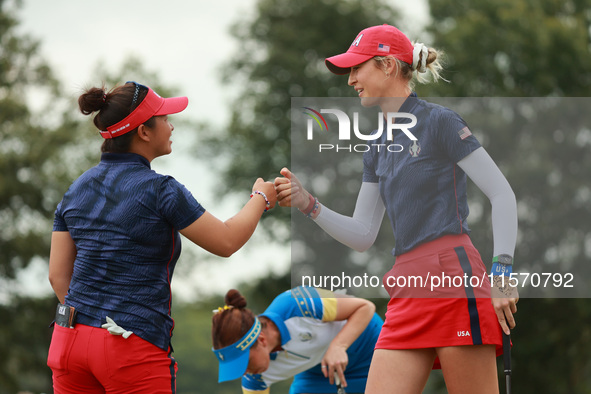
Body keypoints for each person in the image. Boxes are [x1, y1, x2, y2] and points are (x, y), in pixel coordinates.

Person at [274, 24, 519, 393]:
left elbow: (501, 194)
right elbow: (362, 234)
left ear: (387, 65)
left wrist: (501, 274)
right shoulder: (375, 149)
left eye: (357, 68)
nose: (350, 80)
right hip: (405, 285)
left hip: (452, 277)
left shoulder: (440, 122)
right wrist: (310, 204)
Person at [47, 81, 277, 393]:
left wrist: (89, 327)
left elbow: (58, 275)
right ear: (144, 131)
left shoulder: (76, 189)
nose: (171, 126)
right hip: (129, 345)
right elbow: (226, 241)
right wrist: (260, 197)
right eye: (166, 118)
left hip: (68, 343)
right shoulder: (161, 189)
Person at [211, 286, 383, 393]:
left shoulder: (297, 304)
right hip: (320, 374)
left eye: (245, 362)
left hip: (369, 347)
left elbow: (365, 307)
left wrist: (339, 345)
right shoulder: (255, 378)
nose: (244, 372)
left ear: (261, 340)